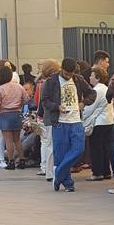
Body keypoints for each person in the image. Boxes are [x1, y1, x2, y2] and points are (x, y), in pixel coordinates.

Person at [46, 59, 84, 192]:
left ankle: (58, 174)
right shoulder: (51, 81)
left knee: (79, 149)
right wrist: (57, 107)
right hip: (60, 122)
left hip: (76, 120)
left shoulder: (78, 79)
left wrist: (83, 104)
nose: (69, 76)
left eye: (71, 74)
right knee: (61, 153)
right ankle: (68, 183)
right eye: (67, 73)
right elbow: (45, 100)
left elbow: (92, 93)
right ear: (61, 69)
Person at [0, 64, 28, 169]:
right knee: (17, 140)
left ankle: (11, 161)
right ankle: (22, 161)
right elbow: (26, 99)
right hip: (16, 114)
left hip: (4, 115)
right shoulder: (19, 87)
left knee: (8, 140)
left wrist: (0, 110)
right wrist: (19, 105)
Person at [86, 62, 114, 180]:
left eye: (92, 75)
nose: (89, 77)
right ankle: (106, 171)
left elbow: (90, 108)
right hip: (108, 120)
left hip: (99, 122)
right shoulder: (106, 89)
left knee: (96, 148)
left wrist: (82, 115)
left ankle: (97, 172)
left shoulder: (96, 91)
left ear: (97, 77)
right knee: (105, 147)